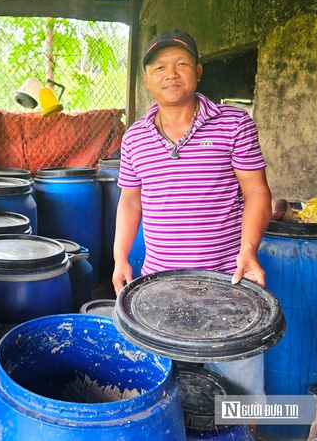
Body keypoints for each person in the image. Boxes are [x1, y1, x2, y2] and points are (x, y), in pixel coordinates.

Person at [112, 29, 272, 396]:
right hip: (160, 289)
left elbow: (257, 191)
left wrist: (248, 250)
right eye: (160, 66)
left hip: (229, 287)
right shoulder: (134, 137)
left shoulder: (235, 123)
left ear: (198, 71)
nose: (171, 73)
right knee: (165, 397)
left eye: (181, 63)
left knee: (242, 398)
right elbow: (129, 201)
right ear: (147, 79)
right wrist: (121, 257)